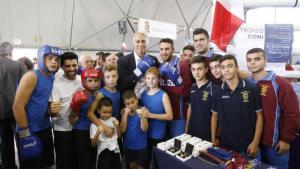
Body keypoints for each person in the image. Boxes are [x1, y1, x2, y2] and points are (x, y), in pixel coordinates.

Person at [246, 48, 300, 169]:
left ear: (265, 61)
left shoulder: (280, 83)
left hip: (275, 146)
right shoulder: (246, 84)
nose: (253, 62)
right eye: (249, 60)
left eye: (257, 59)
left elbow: (293, 114)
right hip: (253, 143)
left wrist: (286, 139)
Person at [13, 45, 62, 169]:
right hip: (29, 130)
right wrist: (26, 134)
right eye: (50, 58)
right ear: (41, 58)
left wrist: (49, 109)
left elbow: (41, 102)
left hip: (45, 128)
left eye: (56, 59)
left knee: (47, 164)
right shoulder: (31, 76)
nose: (54, 62)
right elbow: (17, 107)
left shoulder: (51, 77)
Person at [211, 54, 263, 158]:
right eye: (223, 67)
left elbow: (260, 116)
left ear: (237, 67)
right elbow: (214, 116)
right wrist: (213, 138)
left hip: (248, 146)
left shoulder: (251, 88)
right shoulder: (218, 92)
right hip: (226, 146)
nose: (226, 70)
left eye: (230, 66)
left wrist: (255, 142)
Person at [49, 52, 82, 169]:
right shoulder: (57, 83)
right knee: (64, 162)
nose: (72, 69)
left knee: (76, 160)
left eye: (74, 65)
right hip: (62, 129)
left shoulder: (81, 80)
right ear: (62, 67)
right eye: (68, 66)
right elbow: (53, 111)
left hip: (78, 127)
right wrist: (51, 111)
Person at [159, 38, 192, 137]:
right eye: (161, 49)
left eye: (167, 49)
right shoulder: (160, 67)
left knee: (177, 146)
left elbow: (187, 92)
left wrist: (177, 79)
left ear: (173, 50)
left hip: (178, 115)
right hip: (163, 114)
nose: (164, 52)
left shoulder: (182, 66)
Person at [0, 42, 26, 169]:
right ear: (11, 52)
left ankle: (9, 166)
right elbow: (27, 86)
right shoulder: (18, 65)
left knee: (5, 143)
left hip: (1, 113)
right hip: (17, 110)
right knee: (22, 140)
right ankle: (25, 165)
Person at [69, 68, 101, 169]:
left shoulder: (99, 94)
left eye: (96, 80)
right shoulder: (80, 95)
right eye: (90, 80)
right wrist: (74, 107)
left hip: (95, 131)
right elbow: (72, 120)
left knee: (94, 158)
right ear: (84, 81)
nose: (93, 83)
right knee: (84, 159)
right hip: (82, 131)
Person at [140, 67, 173, 161]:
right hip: (145, 134)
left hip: (158, 135)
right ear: (145, 79)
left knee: (157, 161)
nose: (150, 81)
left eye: (153, 78)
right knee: (146, 160)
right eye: (148, 78)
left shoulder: (163, 95)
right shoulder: (143, 95)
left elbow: (170, 116)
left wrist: (151, 115)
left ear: (159, 79)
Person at [186, 56, 220, 141]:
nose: (196, 72)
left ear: (206, 70)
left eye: (199, 69)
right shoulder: (192, 87)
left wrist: (214, 137)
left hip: (207, 134)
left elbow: (216, 116)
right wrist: (186, 128)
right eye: (193, 69)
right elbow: (190, 107)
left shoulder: (214, 89)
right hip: (192, 131)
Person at [120, 90, 149, 169]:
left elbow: (145, 129)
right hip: (128, 146)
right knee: (132, 166)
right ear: (124, 104)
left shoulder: (143, 110)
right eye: (128, 104)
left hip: (141, 147)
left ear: (137, 100)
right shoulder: (123, 111)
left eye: (132, 102)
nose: (131, 106)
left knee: (141, 167)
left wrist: (142, 117)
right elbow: (122, 130)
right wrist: (125, 115)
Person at [90, 97, 121, 169]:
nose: (107, 114)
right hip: (103, 152)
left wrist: (117, 126)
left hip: (115, 151)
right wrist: (97, 133)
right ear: (98, 110)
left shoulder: (114, 120)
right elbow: (93, 144)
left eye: (109, 112)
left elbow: (119, 136)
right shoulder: (94, 124)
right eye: (104, 112)